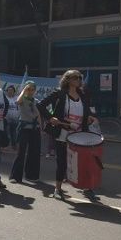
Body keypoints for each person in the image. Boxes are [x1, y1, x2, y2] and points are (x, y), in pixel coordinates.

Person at [37, 70, 98, 201]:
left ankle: (87, 188)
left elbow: (86, 110)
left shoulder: (83, 94)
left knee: (84, 161)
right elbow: (40, 105)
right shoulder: (59, 93)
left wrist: (90, 117)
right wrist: (50, 118)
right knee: (62, 162)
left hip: (80, 133)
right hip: (63, 133)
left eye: (80, 78)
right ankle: (57, 189)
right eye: (76, 78)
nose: (79, 80)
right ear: (68, 80)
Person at [9, 81, 41, 183]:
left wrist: (41, 126)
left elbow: (38, 115)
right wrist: (24, 90)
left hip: (34, 128)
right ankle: (15, 176)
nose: (31, 91)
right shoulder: (22, 99)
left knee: (34, 152)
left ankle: (31, 175)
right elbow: (18, 102)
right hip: (24, 127)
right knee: (21, 152)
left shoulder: (36, 101)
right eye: (29, 89)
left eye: (32, 89)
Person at [5, 85, 19, 150]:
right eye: (9, 90)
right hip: (6, 119)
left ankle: (14, 145)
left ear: (14, 92)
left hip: (15, 119)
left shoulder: (17, 98)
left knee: (14, 133)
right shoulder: (4, 98)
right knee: (6, 132)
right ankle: (6, 145)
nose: (10, 92)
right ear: (7, 91)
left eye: (12, 90)